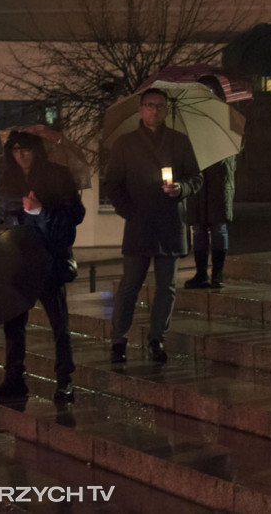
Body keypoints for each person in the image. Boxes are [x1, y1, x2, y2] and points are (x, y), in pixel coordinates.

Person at [105, 87, 203, 364]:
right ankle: (118, 339)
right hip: (139, 223)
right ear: (141, 109)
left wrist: (181, 188)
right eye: (149, 105)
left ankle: (157, 338)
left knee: (166, 287)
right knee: (129, 285)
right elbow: (112, 184)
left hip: (170, 222)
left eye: (159, 106)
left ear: (166, 110)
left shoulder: (179, 142)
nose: (154, 110)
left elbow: (196, 177)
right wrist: (128, 212)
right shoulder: (125, 143)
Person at [0, 130, 85, 402]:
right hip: (17, 259)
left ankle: (65, 378)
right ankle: (14, 378)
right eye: (15, 149)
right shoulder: (7, 178)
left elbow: (75, 215)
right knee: (14, 323)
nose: (20, 154)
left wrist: (40, 210)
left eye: (26, 149)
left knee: (59, 323)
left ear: (37, 150)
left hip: (49, 257)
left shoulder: (58, 174)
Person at [184, 76, 237, 290]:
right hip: (198, 177)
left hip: (219, 176)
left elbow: (236, 145)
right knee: (197, 228)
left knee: (218, 227)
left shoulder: (227, 116)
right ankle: (200, 273)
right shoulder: (191, 118)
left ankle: (217, 273)